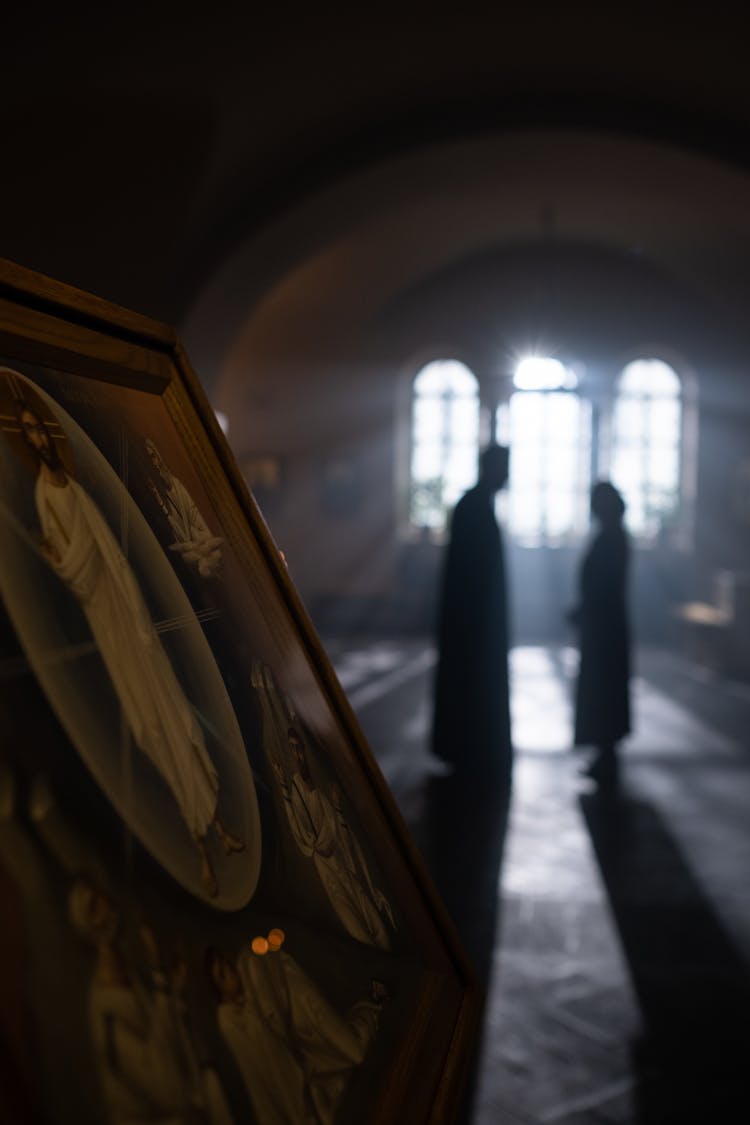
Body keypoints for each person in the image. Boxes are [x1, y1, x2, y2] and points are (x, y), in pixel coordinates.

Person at [16, 400, 243, 897]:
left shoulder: (71, 487)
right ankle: (198, 839)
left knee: (175, 711)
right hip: (108, 624)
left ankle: (219, 824)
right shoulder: (44, 496)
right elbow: (77, 570)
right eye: (28, 432)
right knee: (150, 726)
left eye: (39, 429)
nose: (35, 439)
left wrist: (69, 560)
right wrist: (59, 559)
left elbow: (105, 553)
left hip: (130, 615)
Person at [207, 941, 385, 1125]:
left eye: (225, 964)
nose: (229, 971)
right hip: (298, 1067)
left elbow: (278, 1001)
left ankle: (372, 1007)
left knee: (350, 1047)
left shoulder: (251, 968)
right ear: (221, 993)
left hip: (305, 1016)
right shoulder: (235, 1022)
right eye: (222, 974)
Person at [271, 725, 395, 949]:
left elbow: (342, 836)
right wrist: (282, 788)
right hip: (332, 878)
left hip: (347, 873)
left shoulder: (319, 793)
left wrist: (337, 810)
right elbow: (305, 838)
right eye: (292, 749)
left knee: (381, 933)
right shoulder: (296, 792)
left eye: (300, 748)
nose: (298, 754)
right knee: (361, 936)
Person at [431, 443, 512, 780]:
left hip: (475, 619)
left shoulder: (476, 505)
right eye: (504, 467)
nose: (508, 475)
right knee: (471, 684)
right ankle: (469, 748)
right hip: (472, 622)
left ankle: (471, 747)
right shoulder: (474, 507)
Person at [570, 480, 631, 787]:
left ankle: (607, 755)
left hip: (604, 628)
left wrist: (585, 610)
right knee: (603, 689)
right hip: (604, 626)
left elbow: (602, 586)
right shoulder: (611, 536)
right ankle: (604, 754)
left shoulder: (611, 539)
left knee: (603, 689)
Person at [145, 438, 223, 579]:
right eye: (149, 458)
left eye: (153, 456)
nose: (154, 463)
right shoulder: (154, 492)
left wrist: (199, 544)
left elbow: (195, 521)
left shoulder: (175, 485)